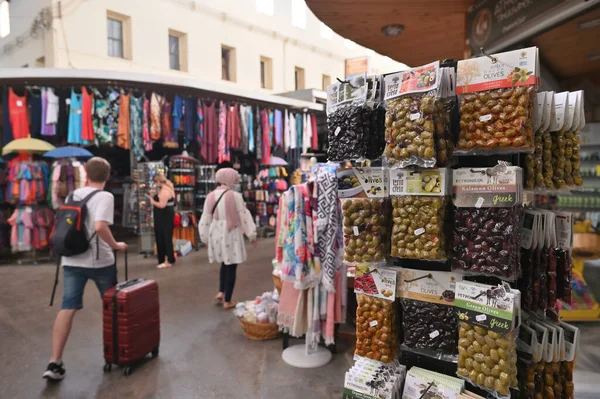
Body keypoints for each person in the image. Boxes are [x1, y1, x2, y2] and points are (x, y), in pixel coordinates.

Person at [43, 157, 128, 381]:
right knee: (112, 308)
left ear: (87, 175)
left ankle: (55, 361)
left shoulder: (73, 195)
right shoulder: (105, 196)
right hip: (99, 261)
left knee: (68, 307)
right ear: (107, 176)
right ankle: (116, 354)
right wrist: (116, 245)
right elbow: (100, 226)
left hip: (71, 259)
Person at [198, 168, 257, 309]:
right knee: (231, 265)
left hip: (216, 232)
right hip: (230, 232)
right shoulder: (235, 196)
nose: (236, 180)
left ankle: (221, 291)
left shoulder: (210, 196)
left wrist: (205, 238)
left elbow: (205, 218)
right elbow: (244, 216)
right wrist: (252, 235)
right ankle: (227, 300)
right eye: (235, 177)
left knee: (225, 263)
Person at [147, 173, 176, 269]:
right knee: (166, 237)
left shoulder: (164, 191)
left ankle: (166, 260)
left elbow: (161, 205)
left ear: (159, 181)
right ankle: (169, 258)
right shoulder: (169, 188)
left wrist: (152, 201)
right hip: (166, 216)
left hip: (163, 217)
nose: (155, 184)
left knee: (163, 237)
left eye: (155, 182)